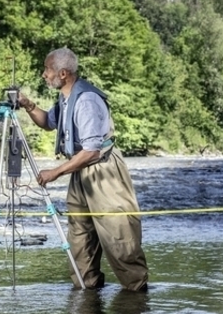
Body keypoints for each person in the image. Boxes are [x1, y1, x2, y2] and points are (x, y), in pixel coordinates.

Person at [17, 48, 149, 292]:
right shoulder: (66, 98)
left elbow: (91, 151)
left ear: (63, 73)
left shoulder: (86, 100)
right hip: (80, 172)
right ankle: (86, 295)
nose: (44, 74)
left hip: (103, 172)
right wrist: (27, 104)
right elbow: (48, 122)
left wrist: (55, 172)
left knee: (119, 238)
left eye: (47, 69)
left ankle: (136, 297)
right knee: (80, 241)